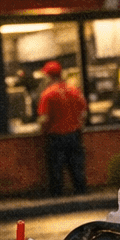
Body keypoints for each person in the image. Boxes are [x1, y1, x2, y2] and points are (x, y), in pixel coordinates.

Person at [39, 59, 89, 195]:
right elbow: (83, 113)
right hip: (74, 135)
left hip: (56, 136)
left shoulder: (48, 94)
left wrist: (41, 129)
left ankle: (57, 196)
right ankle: (81, 194)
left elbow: (44, 118)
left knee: (56, 169)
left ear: (48, 76)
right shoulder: (74, 91)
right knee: (77, 168)